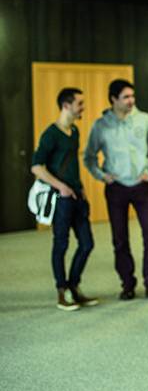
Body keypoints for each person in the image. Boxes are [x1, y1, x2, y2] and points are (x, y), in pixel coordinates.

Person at [83, 79, 148, 301]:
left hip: (142, 186)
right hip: (116, 189)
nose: (131, 101)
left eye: (132, 96)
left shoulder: (144, 120)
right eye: (126, 97)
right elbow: (89, 156)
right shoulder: (100, 125)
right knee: (120, 239)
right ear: (113, 99)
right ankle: (127, 284)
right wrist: (102, 176)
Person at [31, 88, 97, 311]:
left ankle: (74, 286)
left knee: (87, 244)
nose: (83, 108)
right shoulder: (51, 134)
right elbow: (36, 166)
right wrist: (61, 187)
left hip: (78, 196)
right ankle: (62, 290)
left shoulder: (75, 131)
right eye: (80, 103)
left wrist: (81, 187)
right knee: (61, 244)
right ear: (66, 106)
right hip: (62, 199)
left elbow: (72, 165)